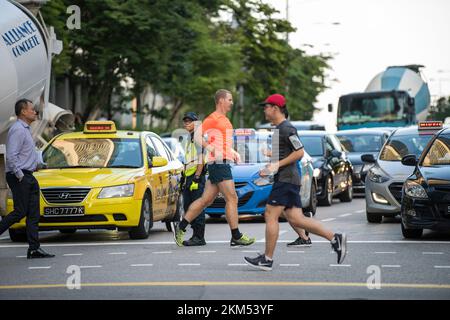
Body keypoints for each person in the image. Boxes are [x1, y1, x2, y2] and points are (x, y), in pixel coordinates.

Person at [244, 94, 347, 271]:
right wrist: (269, 168)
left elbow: (299, 152)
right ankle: (334, 238)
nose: (264, 110)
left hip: (286, 179)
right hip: (286, 178)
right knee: (296, 219)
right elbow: (282, 155)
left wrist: (277, 164)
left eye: (266, 107)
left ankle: (267, 259)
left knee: (270, 214)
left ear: (275, 108)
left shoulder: (286, 129)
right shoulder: (279, 129)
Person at [172, 89, 255, 247]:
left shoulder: (224, 120)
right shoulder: (213, 118)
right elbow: (197, 135)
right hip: (218, 163)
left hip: (221, 161)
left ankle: (181, 227)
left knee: (205, 200)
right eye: (229, 100)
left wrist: (232, 152)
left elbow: (222, 143)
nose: (232, 102)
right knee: (232, 198)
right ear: (221, 100)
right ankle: (236, 236)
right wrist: (211, 149)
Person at [0, 99, 54, 259]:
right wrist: (21, 176)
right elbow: (11, 156)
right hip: (20, 176)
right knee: (20, 211)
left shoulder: (25, 129)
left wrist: (40, 165)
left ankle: (34, 248)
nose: (35, 112)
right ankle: (33, 247)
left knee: (33, 214)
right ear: (23, 112)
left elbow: (25, 155)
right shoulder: (17, 129)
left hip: (28, 175)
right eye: (32, 109)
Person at [180, 112, 207, 246]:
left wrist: (197, 177)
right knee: (188, 207)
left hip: (196, 177)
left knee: (196, 207)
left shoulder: (197, 137)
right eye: (185, 121)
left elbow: (201, 158)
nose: (186, 123)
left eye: (189, 121)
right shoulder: (190, 137)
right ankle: (195, 235)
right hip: (189, 177)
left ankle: (199, 237)